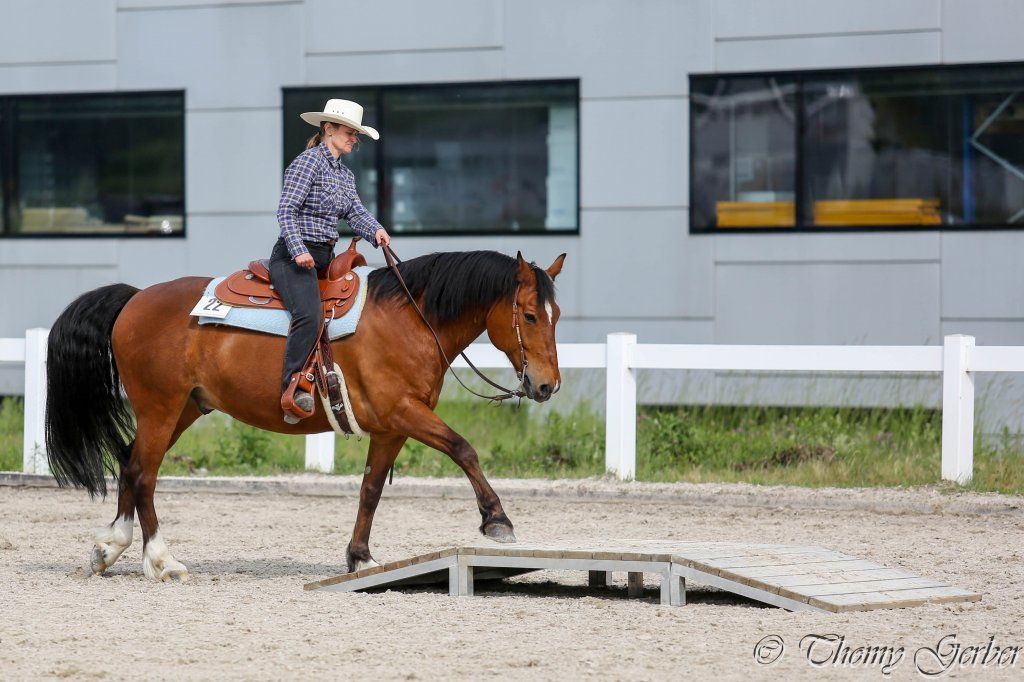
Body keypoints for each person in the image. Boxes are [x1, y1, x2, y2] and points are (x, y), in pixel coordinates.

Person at [272, 99, 390, 422]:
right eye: (350, 133)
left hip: (323, 257)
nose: (355, 139)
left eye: (356, 134)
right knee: (310, 315)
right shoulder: (307, 163)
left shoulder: (345, 176)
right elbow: (286, 210)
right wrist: (298, 249)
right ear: (329, 130)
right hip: (293, 257)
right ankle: (292, 389)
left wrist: (376, 230)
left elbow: (355, 212)